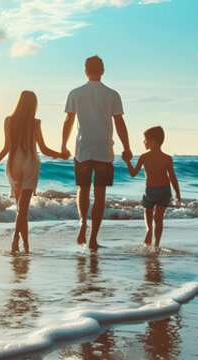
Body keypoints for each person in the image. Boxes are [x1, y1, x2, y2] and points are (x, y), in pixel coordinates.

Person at [60, 55, 132, 250]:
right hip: (104, 150)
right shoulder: (112, 94)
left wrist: (63, 145)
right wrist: (126, 147)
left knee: (83, 190)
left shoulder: (76, 93)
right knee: (100, 195)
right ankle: (93, 238)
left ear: (85, 71)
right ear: (102, 71)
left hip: (82, 149)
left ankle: (82, 222)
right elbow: (119, 123)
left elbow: (68, 121)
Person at [0, 91, 66, 254]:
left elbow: (6, 147)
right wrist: (60, 154)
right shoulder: (35, 123)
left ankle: (26, 245)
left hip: (14, 161)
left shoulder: (9, 120)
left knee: (19, 208)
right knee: (23, 207)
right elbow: (43, 149)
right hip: (30, 161)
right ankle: (16, 238)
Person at [126, 126, 181, 248]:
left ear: (153, 141)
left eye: (146, 139)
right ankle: (156, 245)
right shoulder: (167, 158)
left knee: (148, 212)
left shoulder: (144, 157)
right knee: (159, 218)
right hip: (164, 191)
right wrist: (178, 193)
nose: (144, 142)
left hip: (150, 191)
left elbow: (133, 173)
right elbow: (172, 177)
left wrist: (127, 161)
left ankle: (149, 230)